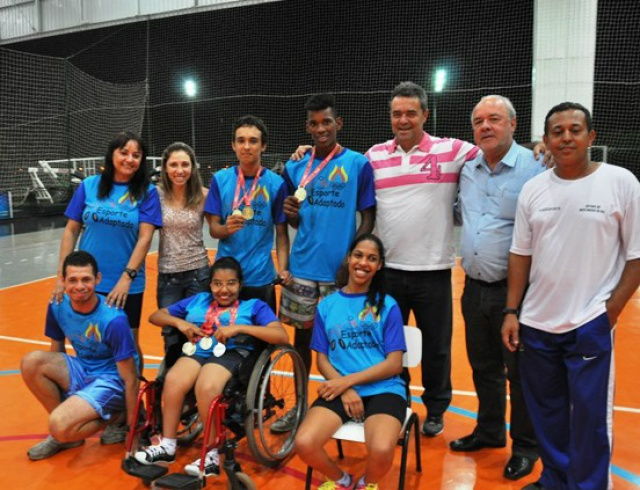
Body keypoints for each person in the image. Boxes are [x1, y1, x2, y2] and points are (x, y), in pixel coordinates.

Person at [502, 102, 640, 490]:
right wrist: (512, 310)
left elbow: (636, 257)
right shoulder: (534, 189)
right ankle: (556, 480)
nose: (566, 137)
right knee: (548, 413)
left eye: (574, 130)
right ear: (545, 140)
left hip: (590, 322)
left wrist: (609, 314)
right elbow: (520, 254)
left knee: (590, 418)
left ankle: (590, 485)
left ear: (590, 136)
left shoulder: (621, 182)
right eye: (557, 131)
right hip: (536, 324)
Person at [365, 82, 479, 437]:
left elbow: (496, 152)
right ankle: (393, 403)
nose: (403, 120)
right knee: (390, 347)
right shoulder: (374, 155)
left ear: (425, 115)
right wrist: (305, 153)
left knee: (436, 349)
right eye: (397, 113)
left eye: (411, 113)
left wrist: (538, 152)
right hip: (389, 273)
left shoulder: (452, 150)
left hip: (433, 272)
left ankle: (436, 409)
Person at [134, 256, 289, 477]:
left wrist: (240, 329)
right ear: (210, 284)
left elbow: (280, 335)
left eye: (231, 283)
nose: (223, 289)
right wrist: (181, 323)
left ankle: (211, 455)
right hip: (198, 350)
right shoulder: (197, 301)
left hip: (232, 353)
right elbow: (156, 316)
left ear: (240, 284)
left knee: (206, 386)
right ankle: (168, 445)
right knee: (174, 380)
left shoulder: (253, 306)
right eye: (217, 283)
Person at [53, 131, 161, 444]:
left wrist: (127, 277)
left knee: (129, 348)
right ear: (112, 154)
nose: (129, 159)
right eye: (124, 152)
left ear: (141, 161)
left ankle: (133, 412)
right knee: (91, 344)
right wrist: (63, 275)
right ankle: (103, 405)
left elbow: (145, 237)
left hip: (125, 284)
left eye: (136, 154)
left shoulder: (147, 192)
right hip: (86, 281)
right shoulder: (88, 187)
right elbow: (71, 230)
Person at [453, 95, 540, 479]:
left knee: (519, 373)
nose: (485, 126)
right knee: (483, 366)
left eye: (494, 119)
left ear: (513, 124)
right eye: (478, 121)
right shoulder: (467, 168)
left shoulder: (537, 167)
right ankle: (489, 431)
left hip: (516, 293)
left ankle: (525, 446)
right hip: (473, 288)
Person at [278, 94, 376, 414]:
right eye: (314, 123)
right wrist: (291, 211)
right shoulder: (295, 167)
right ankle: (300, 406)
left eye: (327, 122)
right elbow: (294, 218)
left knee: (346, 339)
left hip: (340, 271)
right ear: (307, 127)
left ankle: (350, 403)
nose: (321, 129)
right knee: (303, 341)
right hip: (303, 265)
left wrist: (351, 261)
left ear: (339, 123)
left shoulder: (358, 164)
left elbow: (368, 216)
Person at [294, 234, 406, 490]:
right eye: (358, 255)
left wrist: (347, 383)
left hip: (384, 388)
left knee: (380, 448)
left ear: (379, 266)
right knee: (304, 442)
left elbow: (394, 364)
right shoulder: (327, 306)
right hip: (340, 389)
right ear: (348, 258)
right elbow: (322, 359)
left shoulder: (387, 305)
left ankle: (368, 483)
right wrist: (343, 388)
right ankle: (342, 481)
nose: (363, 263)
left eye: (371, 258)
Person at [21, 251, 139, 460]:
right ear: (62, 280)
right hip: (83, 369)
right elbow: (56, 350)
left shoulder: (113, 319)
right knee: (31, 362)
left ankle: (115, 418)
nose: (79, 286)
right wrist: (64, 394)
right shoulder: (57, 305)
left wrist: (132, 427)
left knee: (58, 425)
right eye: (73, 280)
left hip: (111, 380)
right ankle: (68, 435)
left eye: (86, 279)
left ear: (98, 279)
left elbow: (130, 379)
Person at [205, 115, 290, 313]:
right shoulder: (220, 179)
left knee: (262, 339)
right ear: (233, 145)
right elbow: (214, 230)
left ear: (263, 146)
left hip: (261, 277)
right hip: (226, 278)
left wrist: (284, 268)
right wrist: (226, 229)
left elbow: (282, 234)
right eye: (241, 140)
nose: (246, 146)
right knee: (223, 338)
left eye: (253, 141)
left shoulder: (277, 184)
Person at [157, 142, 210, 369]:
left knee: (198, 331)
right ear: (166, 168)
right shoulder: (155, 195)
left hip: (198, 274)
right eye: (174, 165)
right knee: (171, 335)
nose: (180, 170)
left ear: (193, 167)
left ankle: (193, 389)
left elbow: (220, 226)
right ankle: (171, 384)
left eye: (185, 164)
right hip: (167, 276)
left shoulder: (203, 195)